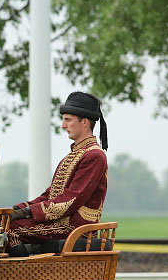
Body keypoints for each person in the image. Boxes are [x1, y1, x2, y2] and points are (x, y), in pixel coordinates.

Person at [6, 91, 108, 254]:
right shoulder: (75, 154)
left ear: (85, 122)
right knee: (1, 224)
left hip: (76, 226)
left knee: (10, 230)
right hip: (63, 221)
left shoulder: (94, 155)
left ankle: (25, 276)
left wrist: (28, 212)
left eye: (68, 120)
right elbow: (51, 195)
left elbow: (70, 200)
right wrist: (15, 209)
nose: (63, 125)